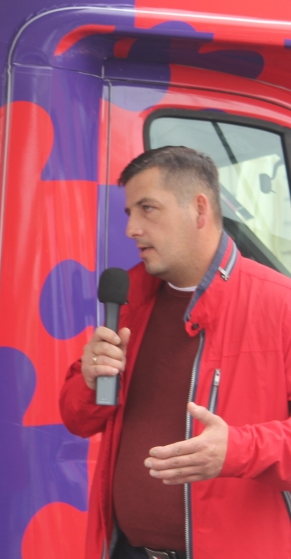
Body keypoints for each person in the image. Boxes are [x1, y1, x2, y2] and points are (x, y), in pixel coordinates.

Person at [60, 146, 291, 559]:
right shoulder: (129, 301)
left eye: (148, 209)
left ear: (199, 209)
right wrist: (91, 381)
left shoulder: (280, 304)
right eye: (129, 212)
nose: (132, 228)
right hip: (123, 550)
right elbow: (76, 419)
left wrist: (238, 450)